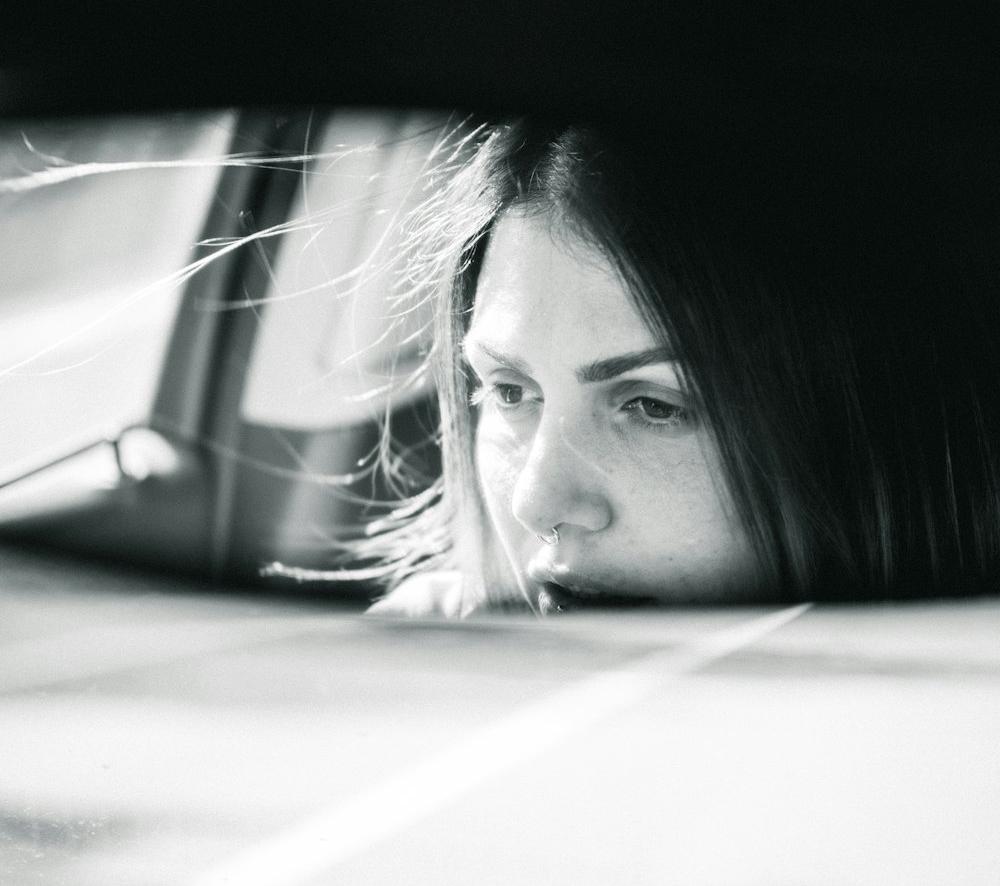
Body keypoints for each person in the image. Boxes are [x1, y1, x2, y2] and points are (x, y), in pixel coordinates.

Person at [361, 101, 1000, 618]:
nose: (536, 502)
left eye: (652, 405)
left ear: (882, 432)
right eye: (509, 392)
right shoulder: (430, 669)